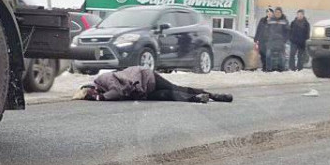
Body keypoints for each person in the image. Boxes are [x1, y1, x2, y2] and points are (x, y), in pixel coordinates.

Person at [74, 65, 233, 103]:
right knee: (168, 96)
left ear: (92, 88)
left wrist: (100, 98)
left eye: (90, 93)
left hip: (147, 78)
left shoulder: (103, 79)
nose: (93, 94)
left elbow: (117, 91)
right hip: (143, 91)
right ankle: (198, 99)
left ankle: (215, 96)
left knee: (174, 88)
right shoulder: (102, 88)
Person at [262, 7, 289, 72]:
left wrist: (284, 40)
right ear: (274, 13)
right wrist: (266, 38)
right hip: (271, 41)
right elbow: (266, 30)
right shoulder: (271, 20)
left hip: (280, 41)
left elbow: (288, 32)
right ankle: (269, 69)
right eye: (276, 12)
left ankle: (281, 69)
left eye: (279, 12)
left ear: (281, 13)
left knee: (281, 56)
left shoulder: (284, 21)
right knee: (268, 55)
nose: (277, 13)